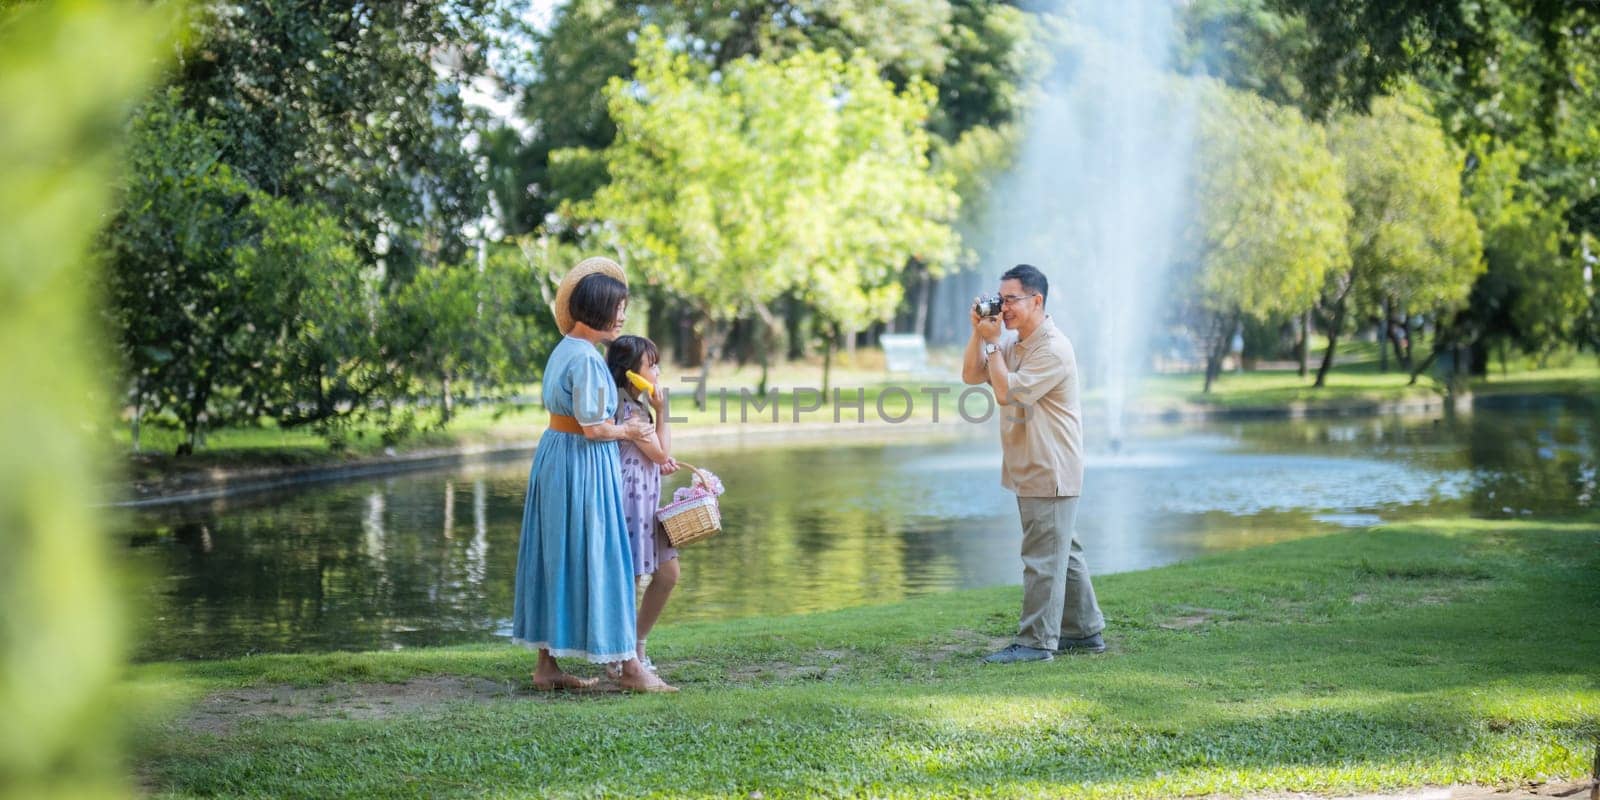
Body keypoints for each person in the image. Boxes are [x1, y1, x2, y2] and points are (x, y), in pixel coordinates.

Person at [511, 256, 677, 693]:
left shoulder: (566, 348)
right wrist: (630, 428)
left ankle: (547, 666)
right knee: (605, 557)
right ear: (598, 309)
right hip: (581, 463)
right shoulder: (585, 359)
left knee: (557, 555)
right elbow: (593, 427)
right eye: (618, 307)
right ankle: (629, 667)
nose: (623, 315)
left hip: (558, 458)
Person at [961, 263, 1106, 664]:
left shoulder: (1053, 348)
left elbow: (1007, 393)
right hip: (1029, 466)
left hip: (1050, 467)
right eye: (999, 299)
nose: (1003, 308)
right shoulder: (1013, 343)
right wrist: (981, 333)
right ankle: (1085, 631)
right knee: (1063, 550)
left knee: (1042, 558)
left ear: (1036, 300)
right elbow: (972, 376)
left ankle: (1035, 643)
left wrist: (992, 344)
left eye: (1010, 300)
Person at [604, 334, 682, 674]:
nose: (658, 372)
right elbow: (661, 449)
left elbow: (655, 455)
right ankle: (621, 658)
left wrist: (657, 462)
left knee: (668, 573)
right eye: (651, 365)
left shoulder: (637, 407)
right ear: (631, 372)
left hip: (647, 501)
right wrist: (663, 414)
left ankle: (634, 646)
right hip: (631, 505)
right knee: (632, 579)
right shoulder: (629, 410)